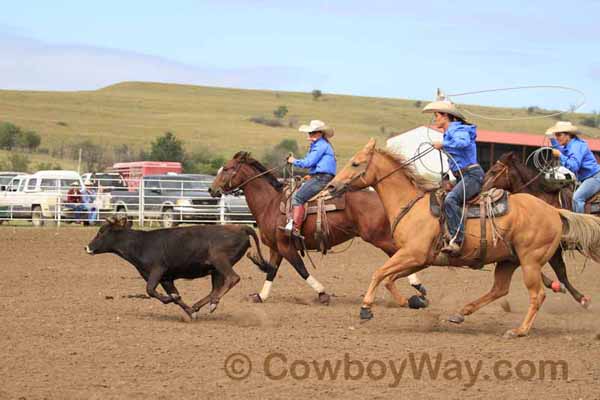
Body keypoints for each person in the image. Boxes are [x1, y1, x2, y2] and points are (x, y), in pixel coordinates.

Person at [423, 99, 484, 255]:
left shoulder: (459, 130)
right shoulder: (450, 132)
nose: (435, 119)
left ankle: (458, 240)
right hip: (462, 177)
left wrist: (444, 145)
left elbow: (462, 143)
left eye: (437, 115)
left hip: (472, 175)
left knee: (451, 200)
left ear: (446, 116)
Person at [283, 120, 337, 237]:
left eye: (313, 133)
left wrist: (293, 161)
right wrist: (311, 175)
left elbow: (308, 162)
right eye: (309, 133)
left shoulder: (320, 145)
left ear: (320, 133)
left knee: (297, 197)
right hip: (321, 176)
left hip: (321, 178)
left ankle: (295, 228)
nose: (310, 135)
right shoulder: (321, 145)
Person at [546, 121, 600, 213]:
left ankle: (581, 224)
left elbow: (574, 166)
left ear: (568, 135)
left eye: (559, 135)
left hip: (594, 177)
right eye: (556, 135)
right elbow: (560, 148)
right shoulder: (570, 145)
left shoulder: (576, 146)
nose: (557, 138)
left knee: (577, 198)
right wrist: (552, 139)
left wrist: (560, 155)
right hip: (586, 178)